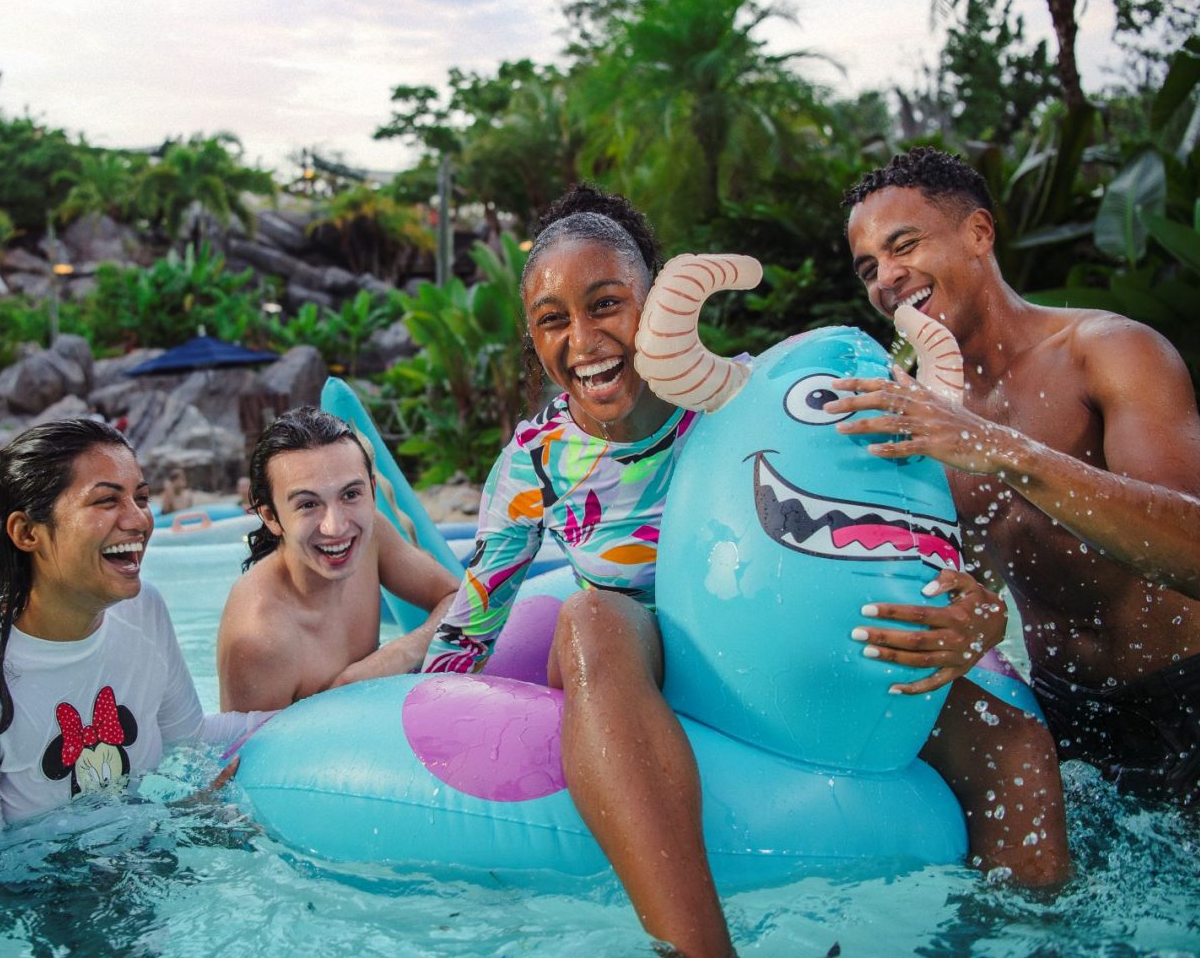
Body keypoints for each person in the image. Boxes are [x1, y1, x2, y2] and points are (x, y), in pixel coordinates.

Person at [422, 184, 1068, 958]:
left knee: (1014, 741)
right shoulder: (534, 460)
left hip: (786, 654)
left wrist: (981, 616)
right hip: (646, 667)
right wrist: (419, 703)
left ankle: (1023, 939)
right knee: (589, 618)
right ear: (534, 340)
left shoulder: (753, 398)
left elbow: (896, 523)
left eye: (607, 304)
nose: (585, 338)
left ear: (658, 305)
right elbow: (476, 614)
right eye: (553, 320)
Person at [835, 146, 1200, 816]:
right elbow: (955, 582)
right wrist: (974, 621)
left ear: (977, 233)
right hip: (1069, 719)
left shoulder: (1107, 351)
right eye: (868, 268)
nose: (887, 277)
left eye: (904, 244)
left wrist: (1000, 448)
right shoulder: (918, 417)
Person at [0, 418, 267, 835]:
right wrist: (169, 820)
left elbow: (190, 739)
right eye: (106, 501)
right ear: (26, 532)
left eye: (141, 498)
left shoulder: (143, 610)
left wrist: (323, 707)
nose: (139, 520)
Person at [216, 408, 458, 712]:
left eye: (350, 495)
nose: (337, 527)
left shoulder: (373, 536)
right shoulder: (261, 639)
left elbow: (459, 599)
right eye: (308, 504)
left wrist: (390, 658)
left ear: (371, 489)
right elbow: (246, 756)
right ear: (270, 517)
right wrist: (349, 691)